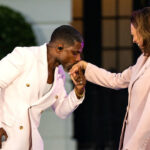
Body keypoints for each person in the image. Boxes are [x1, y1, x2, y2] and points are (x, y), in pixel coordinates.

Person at [70, 7, 150, 150]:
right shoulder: (143, 60)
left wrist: (133, 146)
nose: (134, 40)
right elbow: (117, 80)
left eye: (136, 34)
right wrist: (86, 67)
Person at [0, 25, 86, 150]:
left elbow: (61, 110)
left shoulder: (59, 73)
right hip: (6, 139)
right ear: (59, 48)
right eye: (75, 53)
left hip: (32, 144)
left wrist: (78, 91)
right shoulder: (25, 56)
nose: (78, 59)